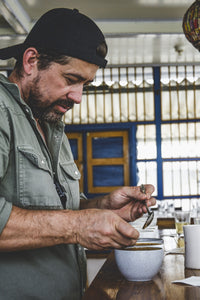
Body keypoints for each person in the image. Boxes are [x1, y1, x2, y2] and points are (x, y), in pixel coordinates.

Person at [0, 8, 156, 300]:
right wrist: (79, 226)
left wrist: (102, 208)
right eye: (71, 79)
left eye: (84, 84)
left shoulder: (49, 122)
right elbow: (68, 225)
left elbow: (50, 213)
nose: (78, 97)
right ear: (31, 61)